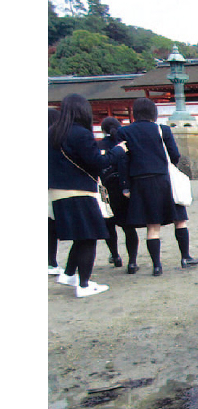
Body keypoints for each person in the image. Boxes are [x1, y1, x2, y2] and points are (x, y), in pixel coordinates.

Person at [48, 94, 128, 297]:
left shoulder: (52, 133)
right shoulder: (80, 134)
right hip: (79, 191)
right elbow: (97, 162)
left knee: (81, 236)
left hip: (57, 192)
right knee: (89, 235)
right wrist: (118, 151)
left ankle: (69, 275)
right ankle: (84, 285)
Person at [116, 97, 198, 276]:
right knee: (180, 220)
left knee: (152, 226)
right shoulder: (162, 130)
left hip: (140, 181)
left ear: (134, 112)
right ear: (154, 112)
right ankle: (185, 257)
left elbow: (123, 160)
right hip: (164, 180)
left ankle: (157, 266)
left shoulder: (124, 132)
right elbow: (175, 155)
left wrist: (126, 186)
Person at [98, 117, 139, 268]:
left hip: (105, 189)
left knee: (109, 224)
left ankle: (115, 256)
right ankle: (132, 261)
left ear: (103, 130)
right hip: (123, 187)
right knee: (129, 227)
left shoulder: (99, 145)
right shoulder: (124, 145)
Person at [49, 107, 63, 276]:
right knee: (50, 227)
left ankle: (51, 262)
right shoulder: (56, 141)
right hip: (53, 188)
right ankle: (51, 261)